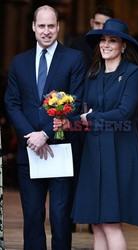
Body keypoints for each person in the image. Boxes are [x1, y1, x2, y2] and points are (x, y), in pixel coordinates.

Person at [70, 18, 138, 249]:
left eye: (113, 40)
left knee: (110, 222)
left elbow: (123, 112)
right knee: (97, 223)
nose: (106, 44)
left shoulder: (133, 72)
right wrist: (66, 119)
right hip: (94, 150)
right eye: (103, 39)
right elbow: (80, 107)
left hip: (120, 150)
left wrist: (89, 118)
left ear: (123, 46)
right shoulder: (93, 73)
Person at [4, 5, 86, 250]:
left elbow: (76, 104)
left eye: (51, 26)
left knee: (61, 218)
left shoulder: (74, 58)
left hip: (60, 149)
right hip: (29, 151)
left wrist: (46, 134)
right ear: (33, 27)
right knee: (32, 217)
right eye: (42, 26)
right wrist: (31, 136)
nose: (47, 31)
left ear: (58, 27)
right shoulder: (19, 62)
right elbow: (12, 102)